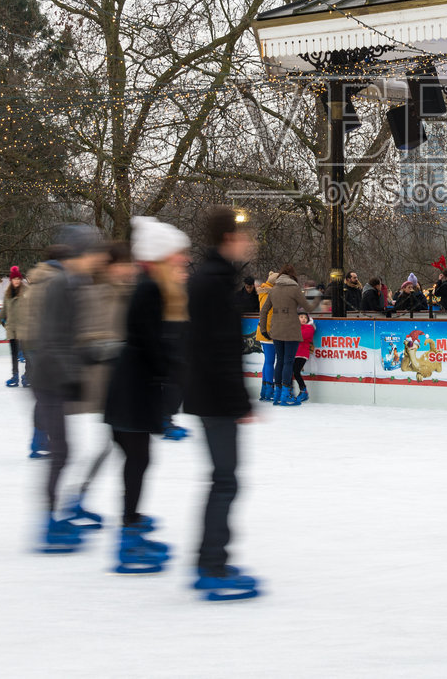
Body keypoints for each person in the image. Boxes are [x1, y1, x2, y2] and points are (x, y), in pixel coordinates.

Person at [183, 206, 262, 600]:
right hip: (216, 396)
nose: (248, 242)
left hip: (209, 393)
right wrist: (241, 400)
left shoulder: (209, 278)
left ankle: (209, 560)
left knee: (223, 479)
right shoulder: (214, 282)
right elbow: (220, 349)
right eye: (243, 236)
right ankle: (212, 565)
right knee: (225, 480)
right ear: (229, 239)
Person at [103, 220, 188, 574]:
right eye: (178, 257)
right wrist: (175, 372)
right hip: (133, 391)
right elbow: (154, 344)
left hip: (134, 388)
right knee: (137, 462)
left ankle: (131, 523)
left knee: (138, 461)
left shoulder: (153, 287)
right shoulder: (150, 289)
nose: (183, 263)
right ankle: (128, 536)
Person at [26, 224, 108, 553]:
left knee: (63, 452)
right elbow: (53, 338)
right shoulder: (62, 284)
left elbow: (72, 339)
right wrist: (71, 374)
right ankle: (47, 523)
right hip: (49, 379)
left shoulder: (76, 283)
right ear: (82, 254)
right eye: (94, 253)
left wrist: (99, 353)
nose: (99, 259)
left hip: (56, 376)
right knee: (60, 453)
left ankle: (53, 516)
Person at [68, 240, 137, 531]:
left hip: (118, 384)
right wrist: (114, 347)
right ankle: (79, 499)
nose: (130, 269)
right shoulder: (94, 294)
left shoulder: (129, 294)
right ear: (111, 266)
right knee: (119, 447)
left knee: (118, 447)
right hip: (99, 384)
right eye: (124, 263)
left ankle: (81, 498)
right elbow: (83, 338)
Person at [262, 265, 307, 406]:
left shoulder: (273, 290)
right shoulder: (294, 289)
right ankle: (286, 395)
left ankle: (277, 395)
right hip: (291, 330)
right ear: (292, 276)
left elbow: (264, 311)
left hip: (276, 330)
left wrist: (264, 329)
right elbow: (307, 306)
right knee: (288, 362)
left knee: (279, 361)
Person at [2, 267, 29, 387]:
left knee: (27, 354)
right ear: (11, 280)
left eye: (18, 278)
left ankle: (27, 376)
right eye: (14, 279)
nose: (16, 281)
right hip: (12, 327)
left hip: (24, 327)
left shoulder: (27, 291)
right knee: (14, 354)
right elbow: (4, 309)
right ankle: (15, 376)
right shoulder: (8, 293)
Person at [255, 272, 277, 401]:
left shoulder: (263, 292)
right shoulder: (271, 295)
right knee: (270, 361)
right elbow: (269, 315)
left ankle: (265, 390)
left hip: (262, 331)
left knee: (267, 361)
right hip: (269, 332)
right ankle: (269, 390)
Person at [293, 313, 315, 403]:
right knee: (291, 371)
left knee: (296, 372)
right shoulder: (294, 327)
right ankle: (290, 390)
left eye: (305, 318)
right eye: (301, 317)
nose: (303, 319)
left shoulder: (309, 328)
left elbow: (300, 336)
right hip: (294, 353)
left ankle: (303, 391)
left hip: (302, 354)